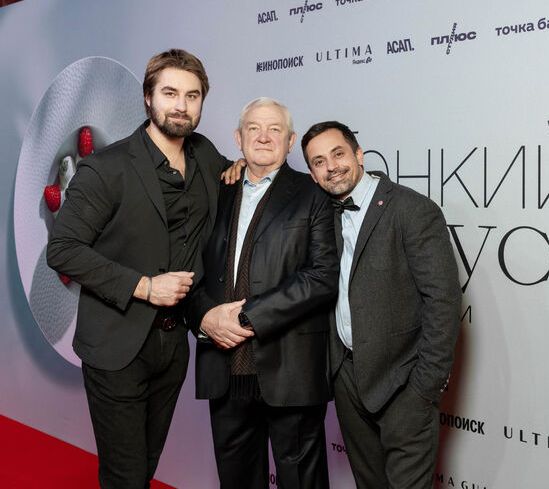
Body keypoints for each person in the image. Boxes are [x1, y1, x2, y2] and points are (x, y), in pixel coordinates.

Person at [47, 48, 233, 489]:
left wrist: (247, 165)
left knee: (144, 468)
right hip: (116, 343)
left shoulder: (206, 156)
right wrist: (145, 286)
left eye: (192, 96)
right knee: (125, 477)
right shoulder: (106, 168)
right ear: (148, 98)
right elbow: (63, 249)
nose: (181, 106)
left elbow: (234, 178)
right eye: (170, 93)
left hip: (173, 345)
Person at [187, 98, 339, 489]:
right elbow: (189, 266)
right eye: (253, 128)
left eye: (275, 129)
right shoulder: (216, 192)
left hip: (291, 371)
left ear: (290, 141)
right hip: (223, 371)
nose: (264, 137)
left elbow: (322, 276)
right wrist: (205, 317)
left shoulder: (313, 193)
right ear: (238, 139)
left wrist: (246, 317)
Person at [301, 121, 461, 489]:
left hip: (404, 382)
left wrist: (424, 387)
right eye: (319, 162)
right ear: (312, 173)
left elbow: (443, 300)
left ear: (359, 154)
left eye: (338, 154)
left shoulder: (411, 209)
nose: (331, 167)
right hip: (347, 380)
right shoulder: (320, 214)